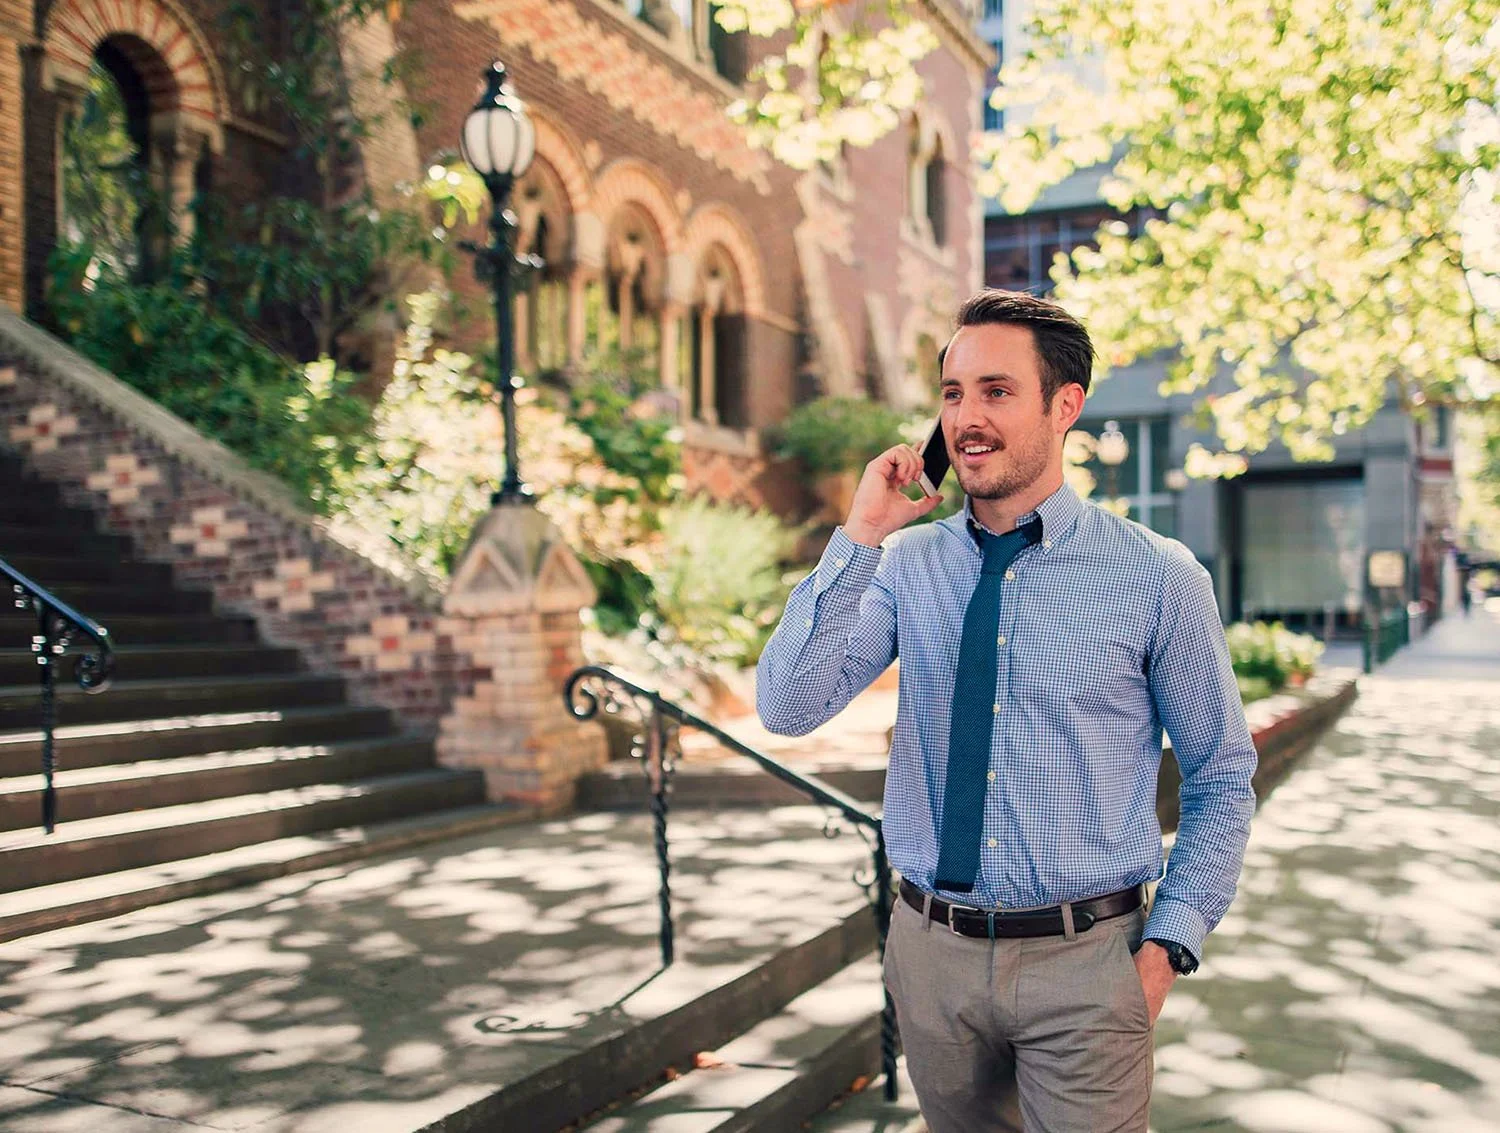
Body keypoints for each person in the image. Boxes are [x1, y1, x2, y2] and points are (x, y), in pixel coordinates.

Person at [756, 290, 1257, 1132]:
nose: (966, 418)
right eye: (953, 393)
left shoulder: (1158, 577)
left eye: (996, 390)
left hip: (1088, 967)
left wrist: (1168, 945)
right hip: (932, 959)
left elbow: (1221, 773)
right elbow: (787, 703)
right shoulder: (907, 563)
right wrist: (861, 535)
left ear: (1066, 406)